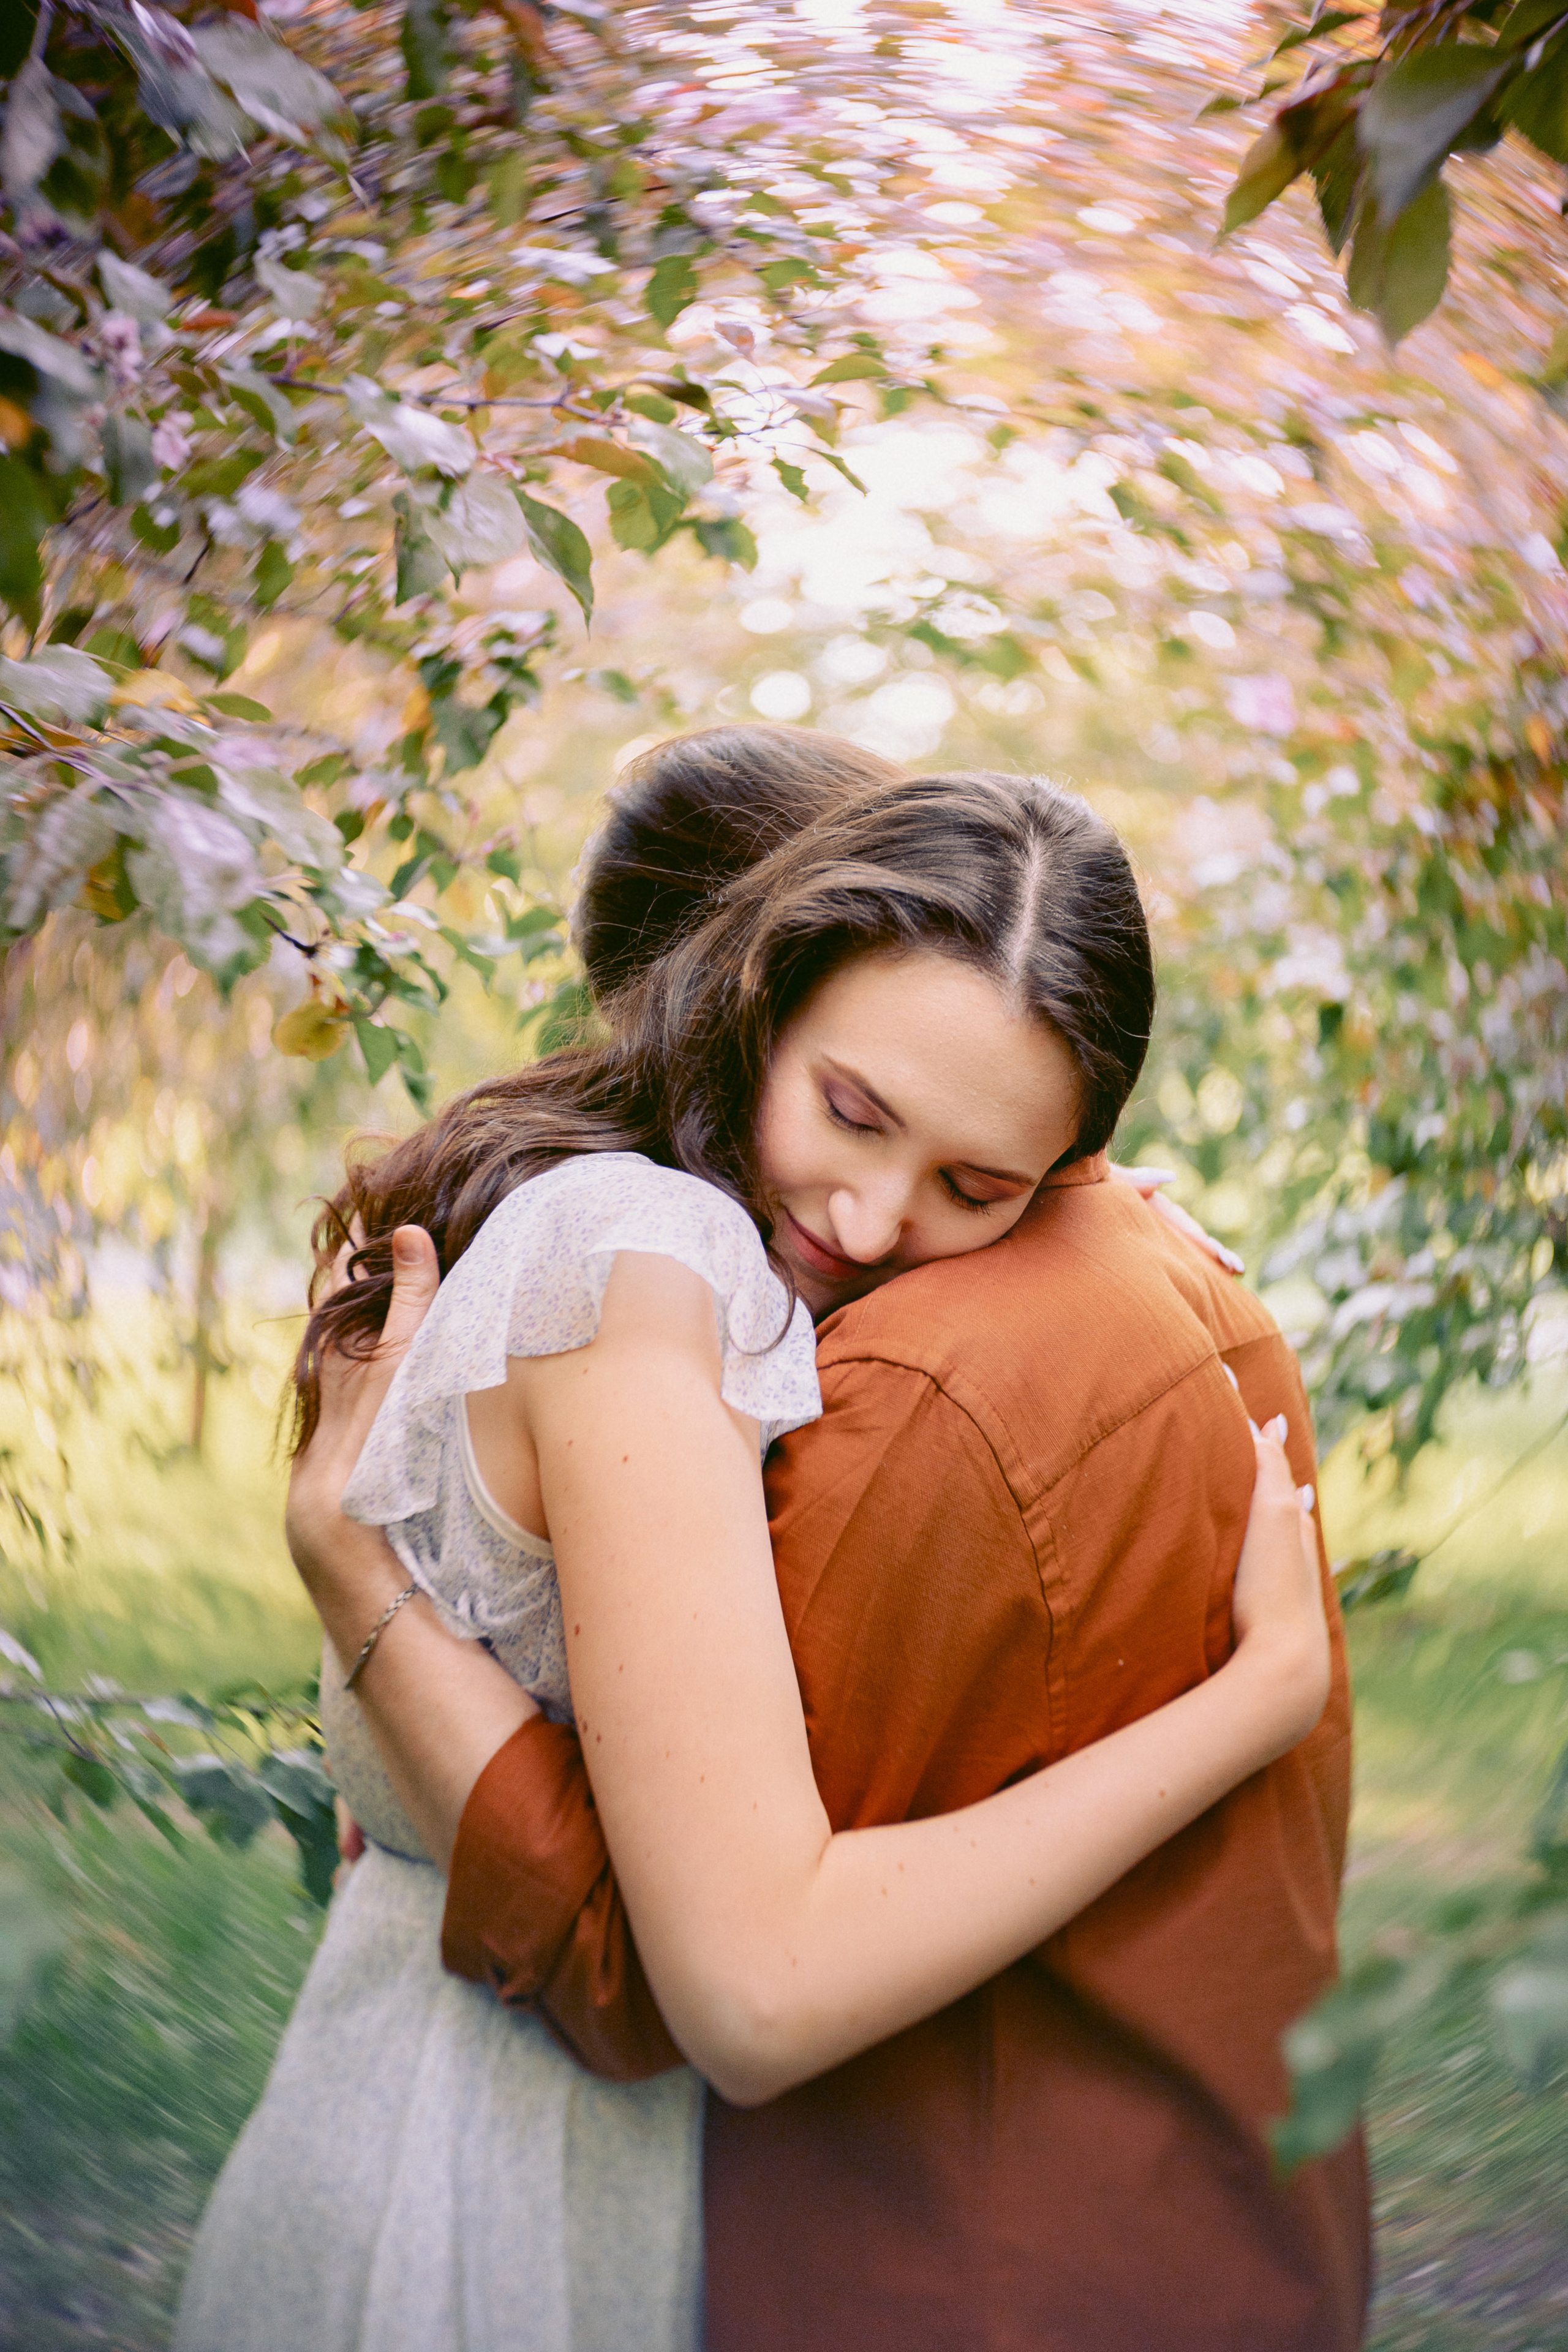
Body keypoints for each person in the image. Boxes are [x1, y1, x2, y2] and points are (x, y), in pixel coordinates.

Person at [175, 730, 1332, 2352]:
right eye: (850, 1111)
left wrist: (1088, 1200)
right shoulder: (653, 1269)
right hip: (488, 2198)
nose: (866, 1220)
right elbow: (758, 1993)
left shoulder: (652, 1222)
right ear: (757, 991)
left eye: (978, 1185)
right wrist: (1256, 1699)